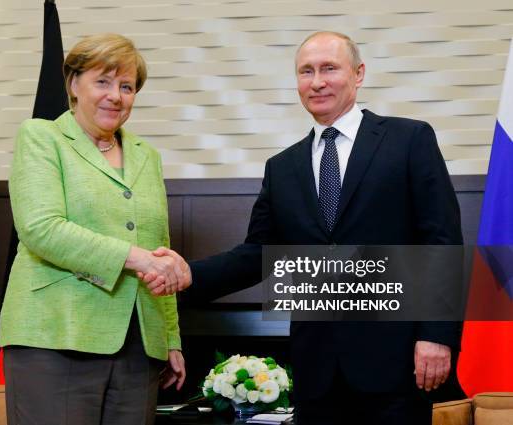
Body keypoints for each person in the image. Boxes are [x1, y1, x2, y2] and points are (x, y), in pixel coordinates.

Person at [144, 31, 463, 424]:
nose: (317, 81)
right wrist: (190, 272)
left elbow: (441, 243)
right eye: (305, 71)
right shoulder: (282, 167)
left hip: (397, 363)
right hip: (317, 373)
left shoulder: (409, 139)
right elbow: (258, 255)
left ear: (358, 74)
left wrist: (437, 335)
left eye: (329, 68)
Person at [0, 33, 190, 425]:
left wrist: (169, 338)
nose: (115, 96)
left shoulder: (146, 155)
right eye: (102, 81)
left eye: (127, 86)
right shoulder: (41, 137)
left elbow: (160, 250)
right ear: (73, 83)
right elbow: (41, 228)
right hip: (54, 336)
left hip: (138, 345)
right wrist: (135, 258)